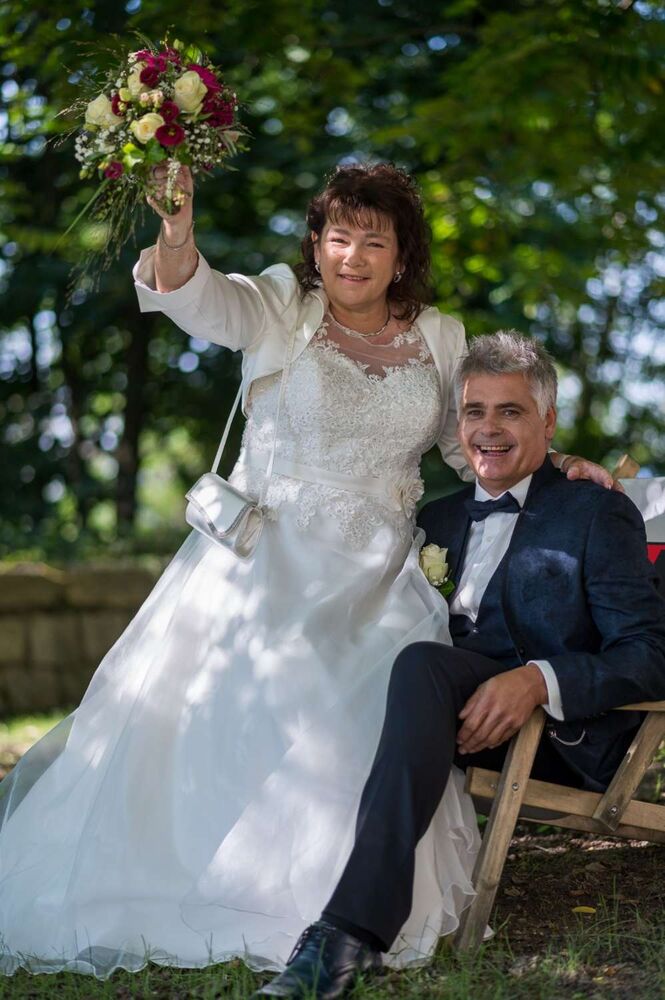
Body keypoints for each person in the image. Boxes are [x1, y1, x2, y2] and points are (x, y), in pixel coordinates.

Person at [0, 167, 614, 980]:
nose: (352, 256)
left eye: (373, 241)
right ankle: (196, 889)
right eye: (337, 237)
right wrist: (177, 230)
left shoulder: (439, 336)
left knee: (370, 722)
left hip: (380, 579)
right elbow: (200, 298)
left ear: (401, 257)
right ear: (316, 246)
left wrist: (557, 460)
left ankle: (344, 908)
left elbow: (470, 441)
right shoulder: (279, 304)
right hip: (262, 564)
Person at [256, 331, 665, 999]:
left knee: (424, 666)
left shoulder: (595, 512)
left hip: (555, 737)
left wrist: (538, 680)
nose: (488, 429)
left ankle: (348, 935)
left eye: (510, 411)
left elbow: (648, 654)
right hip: (438, 714)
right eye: (474, 411)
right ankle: (269, 895)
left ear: (548, 423)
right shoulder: (437, 518)